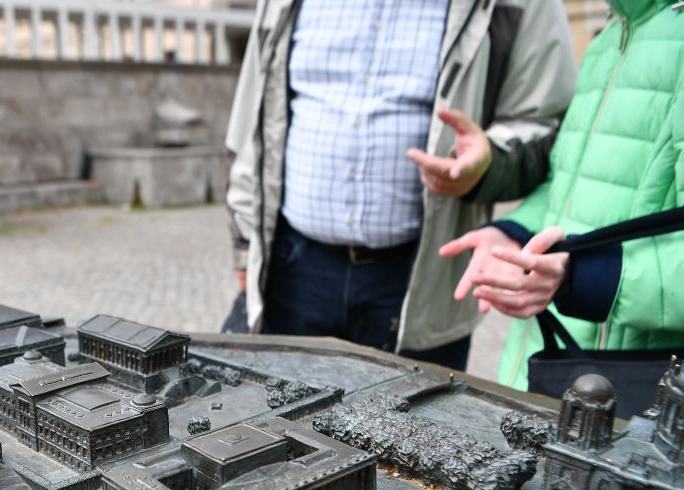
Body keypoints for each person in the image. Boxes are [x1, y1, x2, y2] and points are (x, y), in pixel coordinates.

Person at [225, 0, 577, 370]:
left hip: (422, 278)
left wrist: (489, 163)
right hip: (291, 267)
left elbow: (549, 123)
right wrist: (244, 243)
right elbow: (251, 112)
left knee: (417, 409)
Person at [440, 0, 684, 389]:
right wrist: (513, 233)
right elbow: (564, 189)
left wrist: (584, 275)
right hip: (546, 369)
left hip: (634, 391)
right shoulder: (607, 40)